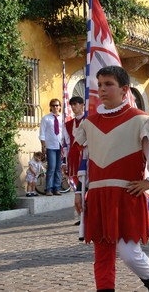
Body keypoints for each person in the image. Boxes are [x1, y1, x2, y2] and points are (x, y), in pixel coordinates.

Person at [73, 66, 149, 292]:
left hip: (127, 195)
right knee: (102, 256)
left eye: (109, 84)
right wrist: (79, 191)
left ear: (124, 89)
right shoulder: (89, 123)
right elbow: (84, 162)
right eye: (100, 85)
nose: (102, 89)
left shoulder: (140, 120)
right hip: (97, 195)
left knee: (129, 254)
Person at [62, 96, 85, 227]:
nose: (74, 107)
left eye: (76, 104)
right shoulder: (68, 124)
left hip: (86, 156)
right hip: (73, 157)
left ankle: (89, 215)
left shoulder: (89, 120)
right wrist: (64, 162)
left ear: (82, 105)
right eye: (72, 105)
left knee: (87, 187)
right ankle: (81, 216)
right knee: (77, 188)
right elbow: (66, 144)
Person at [39, 98, 63, 196]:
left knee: (58, 168)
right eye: (53, 105)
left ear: (60, 107)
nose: (55, 107)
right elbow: (42, 134)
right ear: (50, 107)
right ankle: (48, 189)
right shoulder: (46, 118)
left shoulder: (63, 118)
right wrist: (43, 146)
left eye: (57, 105)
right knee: (52, 167)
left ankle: (57, 188)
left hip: (60, 146)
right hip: (50, 146)